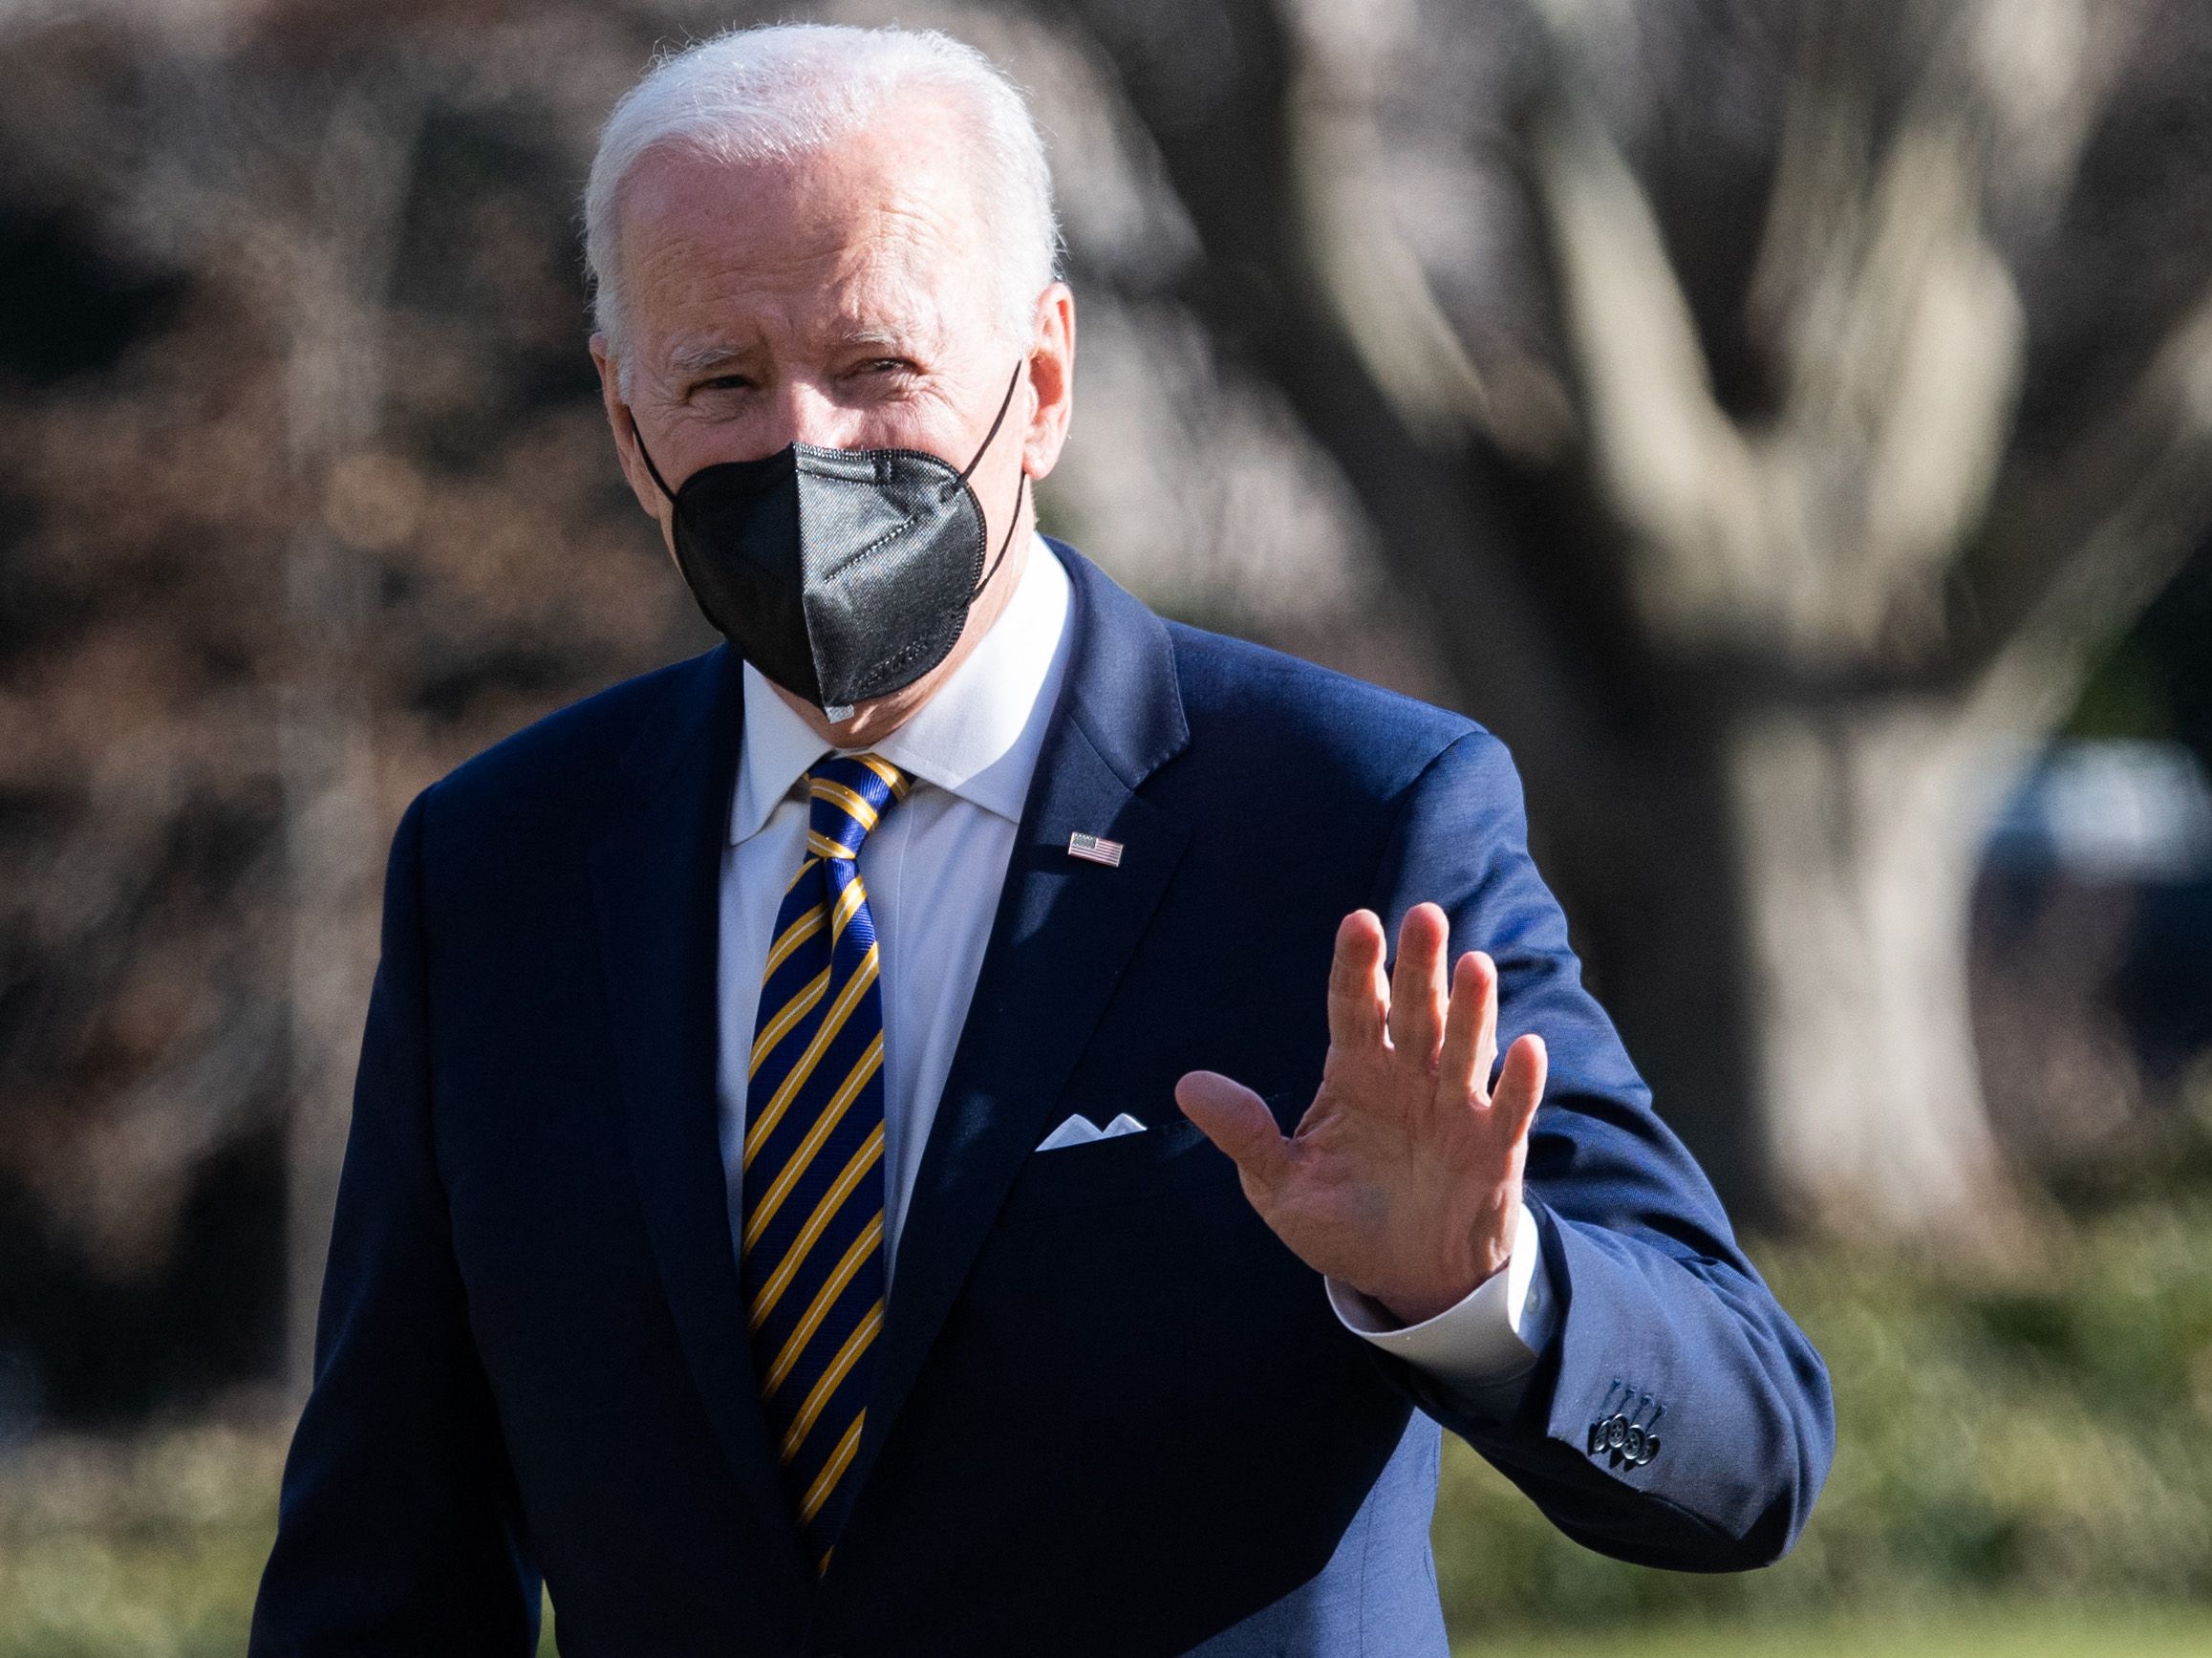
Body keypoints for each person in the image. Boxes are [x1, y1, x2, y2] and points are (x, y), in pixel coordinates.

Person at [249, 23, 1832, 1657]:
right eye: (722, 382)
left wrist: (1482, 1293)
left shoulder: (1346, 818)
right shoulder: (499, 867)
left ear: (1045, 381)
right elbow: (385, 1570)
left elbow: (1751, 1452)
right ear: (623, 414)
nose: (807, 448)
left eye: (881, 365)